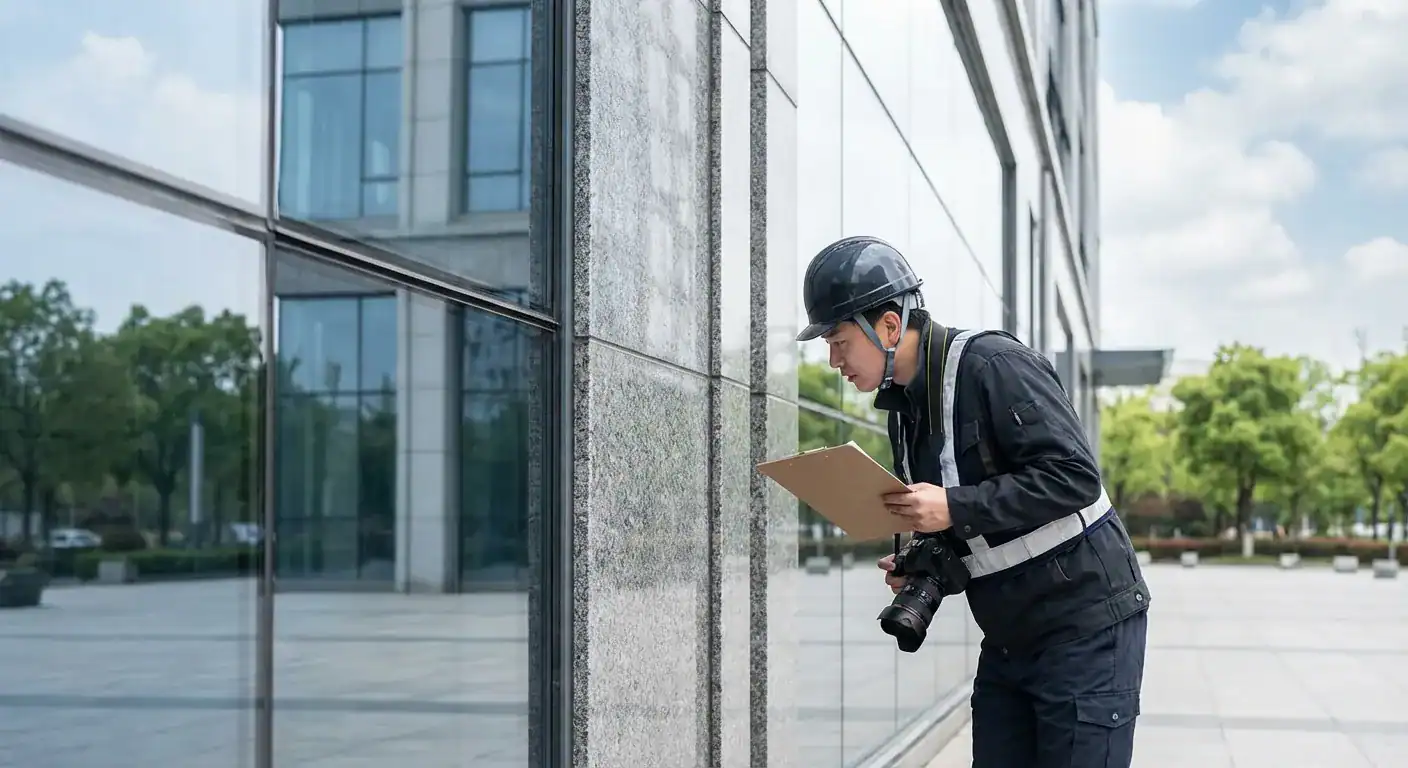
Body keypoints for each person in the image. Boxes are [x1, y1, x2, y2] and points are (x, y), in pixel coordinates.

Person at [796, 235, 1151, 768]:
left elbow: (1074, 478)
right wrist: (925, 560)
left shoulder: (994, 365)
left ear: (889, 326)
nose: (832, 360)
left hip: (1085, 629)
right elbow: (973, 523)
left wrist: (954, 508)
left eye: (839, 340)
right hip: (1009, 641)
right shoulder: (904, 412)